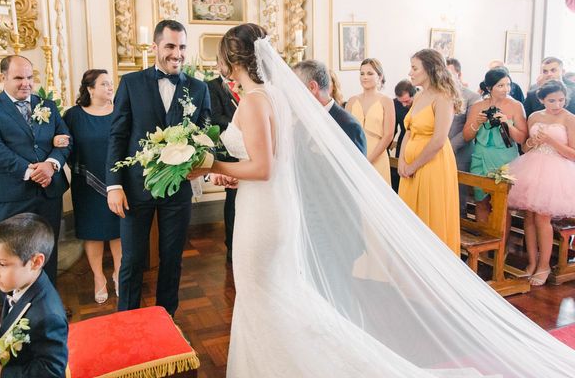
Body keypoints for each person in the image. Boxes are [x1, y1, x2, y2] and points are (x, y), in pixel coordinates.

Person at [187, 24, 575, 377]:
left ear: (231, 59)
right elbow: (268, 163)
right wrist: (228, 172)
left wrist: (209, 164)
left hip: (262, 216)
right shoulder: (269, 98)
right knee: (272, 295)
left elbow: (264, 168)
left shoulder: (256, 100)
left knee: (263, 295)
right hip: (265, 207)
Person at [106, 20, 211, 315]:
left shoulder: (199, 88)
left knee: (172, 257)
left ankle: (166, 320)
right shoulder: (131, 84)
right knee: (132, 259)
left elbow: (204, 137)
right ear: (155, 47)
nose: (176, 54)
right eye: (169, 46)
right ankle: (127, 320)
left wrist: (199, 166)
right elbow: (117, 135)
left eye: (181, 47)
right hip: (134, 188)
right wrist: (114, 185)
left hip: (177, 189)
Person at [0, 55, 70, 285]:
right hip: (11, 194)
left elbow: (67, 140)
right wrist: (30, 171)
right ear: (3, 77)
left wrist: (51, 165)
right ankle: (17, 314)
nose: (26, 83)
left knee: (46, 251)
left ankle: (48, 308)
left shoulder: (46, 106)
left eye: (29, 77)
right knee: (11, 256)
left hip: (49, 192)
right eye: (18, 77)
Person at [0, 213, 68, 378]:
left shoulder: (48, 317)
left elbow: (51, 371)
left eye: (2, 264)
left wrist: (1, 373)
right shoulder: (19, 283)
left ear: (36, 262)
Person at [60, 69, 121, 304]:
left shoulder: (119, 112)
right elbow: (65, 146)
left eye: (110, 84)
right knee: (92, 233)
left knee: (118, 231)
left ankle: (118, 274)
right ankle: (98, 277)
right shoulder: (73, 116)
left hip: (117, 183)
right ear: (90, 89)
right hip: (86, 183)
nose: (109, 88)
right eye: (104, 84)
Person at [507, 80, 575, 286]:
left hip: (556, 169)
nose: (557, 104)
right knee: (528, 216)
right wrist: (532, 142)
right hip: (532, 165)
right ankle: (531, 262)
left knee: (542, 218)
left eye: (561, 100)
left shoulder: (569, 118)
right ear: (541, 99)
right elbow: (526, 148)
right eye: (552, 100)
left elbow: (573, 154)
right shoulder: (535, 116)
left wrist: (551, 141)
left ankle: (544, 265)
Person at [397, 49, 461, 254]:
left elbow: (439, 140)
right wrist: (401, 161)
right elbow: (409, 129)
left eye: (415, 68)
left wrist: (413, 165)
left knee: (429, 217)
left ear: (430, 68)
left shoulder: (443, 98)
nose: (410, 72)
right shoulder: (419, 96)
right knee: (410, 220)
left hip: (432, 165)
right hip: (410, 168)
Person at [463, 67, 527, 229]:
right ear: (489, 88)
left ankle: (500, 250)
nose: (506, 89)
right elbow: (467, 136)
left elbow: (521, 138)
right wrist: (476, 123)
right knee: (481, 203)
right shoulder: (477, 106)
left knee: (502, 207)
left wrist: (506, 122)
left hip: (505, 160)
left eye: (508, 85)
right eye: (500, 85)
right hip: (481, 158)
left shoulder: (516, 106)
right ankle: (483, 246)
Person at [293, 60, 367, 155]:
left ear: (312, 87)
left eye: (296, 87)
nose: (293, 94)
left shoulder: (350, 127)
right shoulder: (301, 123)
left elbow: (357, 168)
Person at [345, 58, 395, 184]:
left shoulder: (387, 101)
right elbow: (345, 132)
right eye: (362, 73)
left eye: (370, 73)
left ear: (380, 76)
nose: (365, 77)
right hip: (355, 155)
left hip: (378, 156)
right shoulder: (351, 101)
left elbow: (388, 135)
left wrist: (368, 160)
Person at [207, 74, 239, 263]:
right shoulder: (212, 86)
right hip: (230, 150)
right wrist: (243, 123)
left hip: (250, 149)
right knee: (233, 200)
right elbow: (215, 117)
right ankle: (231, 246)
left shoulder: (249, 85)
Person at [446, 58, 480, 215]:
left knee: (458, 194)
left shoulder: (472, 97)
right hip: (436, 148)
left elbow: (469, 128)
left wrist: (449, 147)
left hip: (460, 150)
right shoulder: (437, 94)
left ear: (458, 74)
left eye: (449, 72)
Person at [391, 79, 416, 192]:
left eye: (406, 101)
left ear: (414, 94)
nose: (403, 105)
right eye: (400, 101)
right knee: (399, 178)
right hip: (403, 143)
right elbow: (393, 129)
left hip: (418, 142)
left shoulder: (422, 100)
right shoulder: (395, 103)